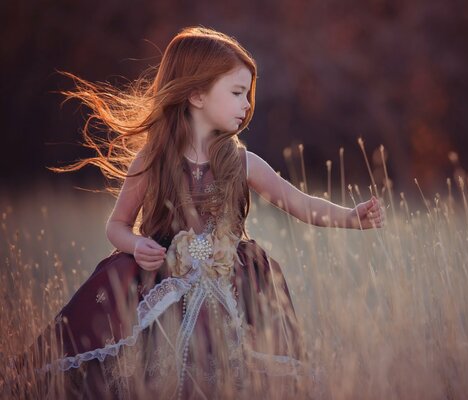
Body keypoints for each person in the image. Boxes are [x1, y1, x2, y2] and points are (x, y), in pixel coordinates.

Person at [15, 26, 385, 399]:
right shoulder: (152, 162)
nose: (247, 105)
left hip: (230, 286)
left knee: (225, 373)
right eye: (237, 93)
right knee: (159, 372)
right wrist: (136, 245)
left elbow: (301, 205)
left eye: (248, 94)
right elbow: (117, 225)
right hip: (160, 283)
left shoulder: (243, 162)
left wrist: (351, 217)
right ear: (195, 94)